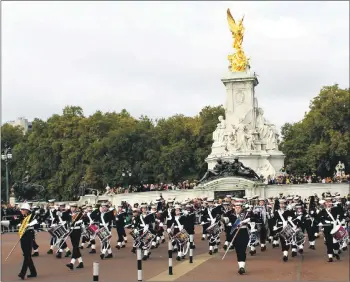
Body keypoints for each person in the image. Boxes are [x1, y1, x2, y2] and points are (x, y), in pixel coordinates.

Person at [18, 203, 38, 280]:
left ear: (27, 210)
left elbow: (36, 223)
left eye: (23, 209)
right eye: (21, 209)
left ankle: (22, 273)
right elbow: (18, 223)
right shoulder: (21, 216)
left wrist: (29, 225)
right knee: (27, 255)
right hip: (22, 236)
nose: (21, 211)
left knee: (27, 255)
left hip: (29, 236)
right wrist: (19, 225)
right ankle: (33, 272)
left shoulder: (31, 216)